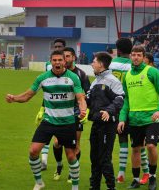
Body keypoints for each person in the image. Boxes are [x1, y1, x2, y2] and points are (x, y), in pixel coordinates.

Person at [6, 50, 87, 190]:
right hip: (49, 121)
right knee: (33, 151)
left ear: (64, 62)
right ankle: (39, 182)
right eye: (54, 60)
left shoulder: (73, 77)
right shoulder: (42, 78)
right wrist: (14, 98)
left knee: (71, 155)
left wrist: (83, 109)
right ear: (50, 62)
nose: (57, 63)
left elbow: (80, 97)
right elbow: (27, 96)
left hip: (67, 122)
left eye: (59, 60)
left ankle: (75, 187)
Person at [117, 46, 159, 190]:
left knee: (151, 145)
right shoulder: (127, 75)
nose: (135, 57)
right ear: (130, 57)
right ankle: (135, 180)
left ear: (144, 57)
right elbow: (126, 100)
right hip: (134, 119)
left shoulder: (152, 72)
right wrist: (122, 118)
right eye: (133, 55)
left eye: (139, 55)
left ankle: (152, 177)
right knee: (135, 149)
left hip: (152, 117)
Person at [109, 38, 150, 185]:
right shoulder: (134, 65)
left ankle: (121, 174)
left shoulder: (111, 64)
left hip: (116, 107)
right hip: (134, 107)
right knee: (139, 144)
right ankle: (146, 172)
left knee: (123, 141)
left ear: (118, 49)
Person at [53, 47, 90, 182]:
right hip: (60, 112)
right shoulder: (57, 73)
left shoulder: (81, 74)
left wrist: (84, 109)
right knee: (57, 142)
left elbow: (87, 93)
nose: (66, 59)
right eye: (64, 56)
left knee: (75, 143)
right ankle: (59, 166)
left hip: (76, 112)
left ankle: (72, 171)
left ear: (74, 57)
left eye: (68, 56)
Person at [88, 52, 124, 190]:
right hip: (96, 123)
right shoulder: (95, 81)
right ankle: (94, 186)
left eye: (94, 61)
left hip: (108, 125)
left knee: (104, 158)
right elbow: (88, 99)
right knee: (94, 157)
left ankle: (111, 187)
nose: (92, 63)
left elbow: (120, 99)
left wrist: (108, 111)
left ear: (101, 64)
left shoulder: (113, 80)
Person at [38, 38, 67, 170]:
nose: (57, 48)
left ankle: (61, 164)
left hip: (66, 107)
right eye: (55, 47)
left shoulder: (68, 66)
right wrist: (42, 107)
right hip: (50, 105)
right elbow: (47, 88)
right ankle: (44, 161)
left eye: (60, 46)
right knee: (47, 133)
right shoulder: (48, 65)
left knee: (60, 141)